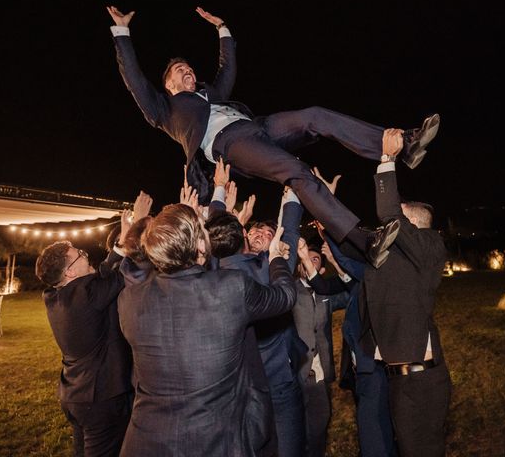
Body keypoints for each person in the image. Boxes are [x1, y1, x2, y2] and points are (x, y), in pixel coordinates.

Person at [106, 5, 440, 267]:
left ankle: (405, 144)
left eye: (189, 68)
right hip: (230, 143)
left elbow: (228, 70)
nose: (188, 72)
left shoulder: (212, 94)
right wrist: (121, 32)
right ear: (169, 85)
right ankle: (365, 242)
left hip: (259, 126)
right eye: (181, 72)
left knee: (315, 115)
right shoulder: (164, 110)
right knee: (298, 172)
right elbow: (135, 79)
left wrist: (223, 30)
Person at [117, 204, 296, 456]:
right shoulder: (231, 288)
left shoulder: (128, 300)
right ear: (201, 247)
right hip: (215, 441)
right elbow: (286, 296)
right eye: (203, 230)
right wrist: (276, 257)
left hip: (146, 441)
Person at [358, 128, 451, 456]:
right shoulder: (401, 261)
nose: (396, 229)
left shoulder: (430, 246)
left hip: (421, 385)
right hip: (401, 380)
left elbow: (390, 213)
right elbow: (363, 241)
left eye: (404, 222)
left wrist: (387, 160)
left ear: (417, 224)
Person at [205, 186, 307, 457]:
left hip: (254, 384)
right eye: (256, 231)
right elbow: (291, 235)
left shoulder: (213, 270)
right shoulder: (265, 268)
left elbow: (214, 235)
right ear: (243, 236)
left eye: (268, 234)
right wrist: (292, 201)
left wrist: (219, 199)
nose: (262, 234)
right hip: (262, 386)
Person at [35, 211, 135, 457]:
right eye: (80, 255)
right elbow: (119, 274)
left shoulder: (54, 296)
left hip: (74, 395)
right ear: (69, 272)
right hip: (100, 397)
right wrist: (129, 235)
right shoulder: (87, 295)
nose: (86, 255)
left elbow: (101, 274)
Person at [293, 238, 350, 456]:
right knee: (296, 428)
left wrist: (338, 263)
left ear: (321, 267)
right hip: (296, 372)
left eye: (315, 259)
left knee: (320, 423)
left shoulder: (327, 293)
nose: (309, 261)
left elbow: (352, 290)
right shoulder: (289, 290)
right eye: (306, 258)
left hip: (320, 373)